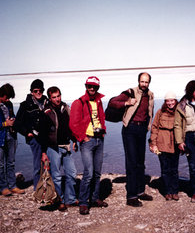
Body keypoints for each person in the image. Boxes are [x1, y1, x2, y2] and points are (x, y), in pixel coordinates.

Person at [109, 72, 154, 207]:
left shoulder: (150, 95)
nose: (144, 84)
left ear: (149, 83)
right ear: (138, 81)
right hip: (130, 129)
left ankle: (140, 191)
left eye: (146, 82)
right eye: (142, 81)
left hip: (142, 130)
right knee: (132, 163)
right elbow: (113, 103)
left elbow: (150, 112)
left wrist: (148, 127)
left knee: (140, 162)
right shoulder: (130, 92)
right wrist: (127, 102)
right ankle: (131, 196)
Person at [69, 76, 108, 215]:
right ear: (86, 86)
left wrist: (103, 131)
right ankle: (84, 202)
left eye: (94, 87)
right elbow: (73, 124)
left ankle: (95, 198)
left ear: (98, 88)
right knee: (88, 173)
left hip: (99, 140)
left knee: (97, 172)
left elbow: (101, 117)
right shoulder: (78, 103)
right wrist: (81, 137)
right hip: (88, 141)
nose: (92, 89)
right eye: (89, 86)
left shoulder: (98, 101)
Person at [40, 86, 78, 212]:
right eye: (54, 97)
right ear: (50, 98)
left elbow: (72, 126)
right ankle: (59, 200)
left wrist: (75, 140)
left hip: (66, 146)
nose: (57, 99)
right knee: (56, 176)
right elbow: (42, 133)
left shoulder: (66, 108)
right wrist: (43, 152)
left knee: (71, 173)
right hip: (53, 148)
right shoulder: (46, 112)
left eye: (58, 96)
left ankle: (70, 199)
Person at [0, 83, 25, 196]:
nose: (8, 99)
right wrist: (5, 123)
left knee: (11, 162)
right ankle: (3, 187)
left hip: (11, 136)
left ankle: (12, 185)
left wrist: (13, 121)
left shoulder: (9, 104)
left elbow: (11, 116)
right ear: (1, 94)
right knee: (0, 164)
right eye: (6, 97)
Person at [14, 79, 48, 190]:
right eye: (35, 90)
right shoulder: (25, 105)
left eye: (40, 90)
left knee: (48, 162)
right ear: (31, 92)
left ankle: (47, 186)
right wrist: (27, 132)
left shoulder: (47, 102)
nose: (38, 92)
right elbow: (17, 123)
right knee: (38, 163)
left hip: (47, 138)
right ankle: (37, 188)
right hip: (35, 138)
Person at [149, 91, 179, 201]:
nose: (170, 103)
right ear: (165, 102)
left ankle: (175, 191)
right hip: (162, 143)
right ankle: (167, 191)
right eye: (168, 101)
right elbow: (154, 128)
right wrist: (153, 144)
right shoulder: (160, 112)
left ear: (175, 101)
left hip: (175, 143)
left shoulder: (179, 111)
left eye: (172, 100)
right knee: (165, 169)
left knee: (174, 169)